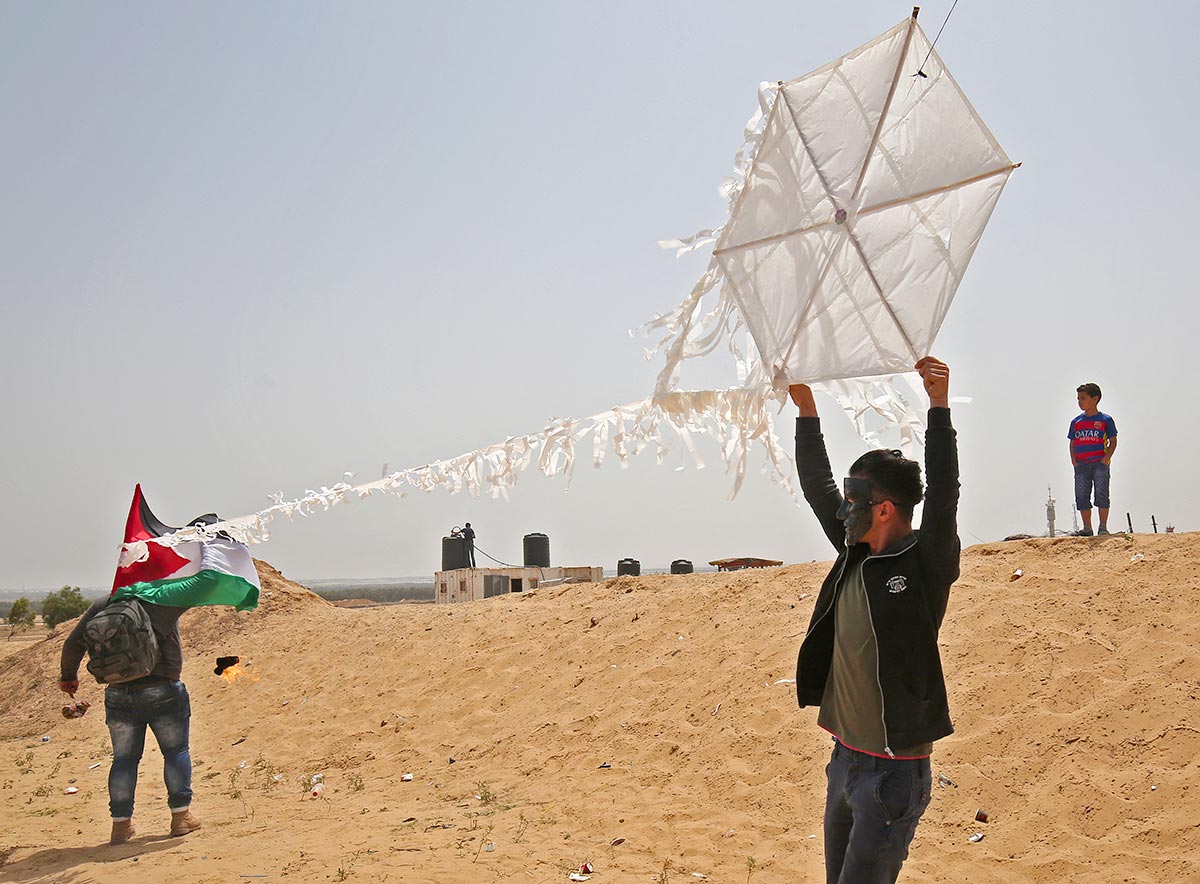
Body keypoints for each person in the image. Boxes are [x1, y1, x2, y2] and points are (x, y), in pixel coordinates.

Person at [789, 356, 959, 884]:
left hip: (894, 774)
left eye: (854, 499)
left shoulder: (924, 563)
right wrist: (807, 411)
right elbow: (816, 485)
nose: (843, 509)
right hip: (845, 762)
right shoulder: (853, 555)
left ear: (885, 509)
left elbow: (945, 495)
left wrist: (938, 406)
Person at [59, 597, 201, 845]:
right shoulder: (162, 598)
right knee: (175, 751)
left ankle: (121, 825)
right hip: (162, 689)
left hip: (118, 692)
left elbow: (73, 644)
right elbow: (203, 591)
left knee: (124, 759)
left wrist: (68, 676)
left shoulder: (104, 604)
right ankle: (181, 817)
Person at [1068, 382, 1117, 536]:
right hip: (1081, 464)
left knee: (1102, 494)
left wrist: (1105, 459)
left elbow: (1113, 441)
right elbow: (1072, 442)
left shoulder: (1105, 420)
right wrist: (1074, 462)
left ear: (1095, 399)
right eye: (1078, 399)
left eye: (1083, 398)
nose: (1079, 402)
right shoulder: (1076, 422)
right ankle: (1087, 528)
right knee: (1082, 495)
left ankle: (1103, 527)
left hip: (1100, 464)